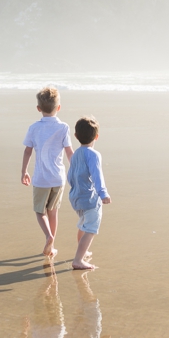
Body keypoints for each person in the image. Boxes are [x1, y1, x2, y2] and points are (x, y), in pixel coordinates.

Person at [22, 87, 74, 259]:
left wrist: (24, 172)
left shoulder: (34, 128)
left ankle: (48, 236)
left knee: (40, 211)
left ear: (38, 108)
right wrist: (75, 170)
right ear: (58, 107)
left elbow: (28, 151)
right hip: (58, 178)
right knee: (53, 211)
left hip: (40, 178)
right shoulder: (64, 127)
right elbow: (69, 152)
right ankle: (52, 246)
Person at [67, 116, 111, 270]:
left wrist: (74, 189)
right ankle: (78, 260)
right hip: (90, 199)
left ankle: (82, 252)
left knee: (83, 225)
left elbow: (70, 175)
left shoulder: (75, 154)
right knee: (90, 229)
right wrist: (103, 193)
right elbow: (97, 175)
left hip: (76, 198)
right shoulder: (93, 154)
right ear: (96, 137)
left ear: (76, 136)